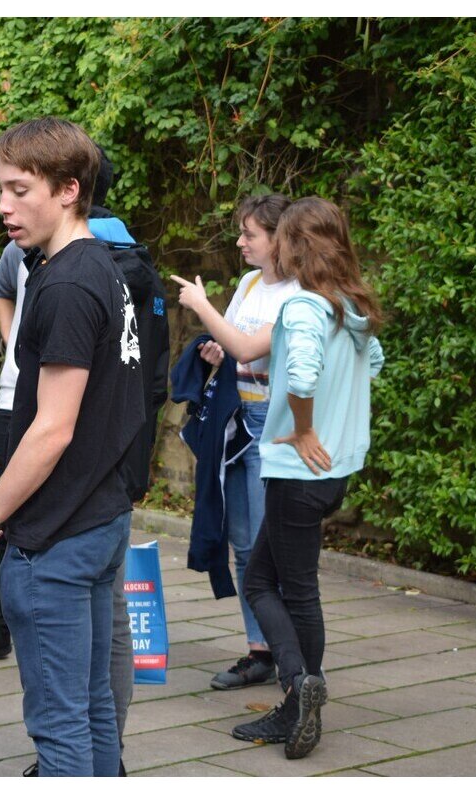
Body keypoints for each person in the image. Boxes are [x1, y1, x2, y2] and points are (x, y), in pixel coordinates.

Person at [0, 117, 144, 777]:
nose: (4, 205)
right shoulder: (98, 265)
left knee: (63, 736)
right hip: (98, 518)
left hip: (58, 539)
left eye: (19, 189)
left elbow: (53, 428)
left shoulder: (62, 285)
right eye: (0, 189)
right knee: (93, 716)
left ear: (68, 189)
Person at [228, 197, 383, 759]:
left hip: (299, 469)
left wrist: (302, 429)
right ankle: (297, 703)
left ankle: (299, 682)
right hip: (336, 471)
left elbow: (302, 374)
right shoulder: (351, 303)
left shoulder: (302, 308)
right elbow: (375, 363)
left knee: (271, 586)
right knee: (283, 584)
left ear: (296, 244)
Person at [170, 193, 296, 691]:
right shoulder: (247, 282)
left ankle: (295, 657)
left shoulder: (298, 293)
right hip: (234, 419)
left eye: (250, 234)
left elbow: (252, 346)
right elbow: (239, 349)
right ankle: (259, 650)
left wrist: (203, 308)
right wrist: (217, 353)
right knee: (243, 546)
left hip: (272, 425)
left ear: (279, 240)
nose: (240, 242)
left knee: (273, 549)